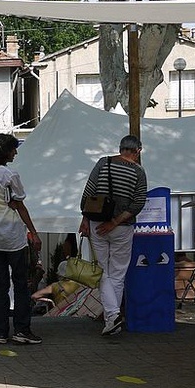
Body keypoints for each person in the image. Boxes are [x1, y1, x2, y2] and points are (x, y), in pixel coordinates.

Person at [79, 134, 148, 336]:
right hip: (122, 227)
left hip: (96, 223)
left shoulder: (103, 163)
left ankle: (112, 317)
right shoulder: (139, 172)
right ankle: (113, 317)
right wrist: (116, 221)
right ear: (138, 151)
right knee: (117, 273)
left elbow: (88, 192)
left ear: (120, 148)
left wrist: (85, 219)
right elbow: (138, 202)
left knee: (103, 271)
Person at [0, 133, 43, 344]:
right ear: (5, 151)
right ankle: (22, 329)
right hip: (14, 237)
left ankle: (1, 332)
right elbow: (20, 204)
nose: (15, 152)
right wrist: (33, 232)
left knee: (1, 286)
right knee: (21, 284)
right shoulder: (9, 174)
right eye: (14, 149)